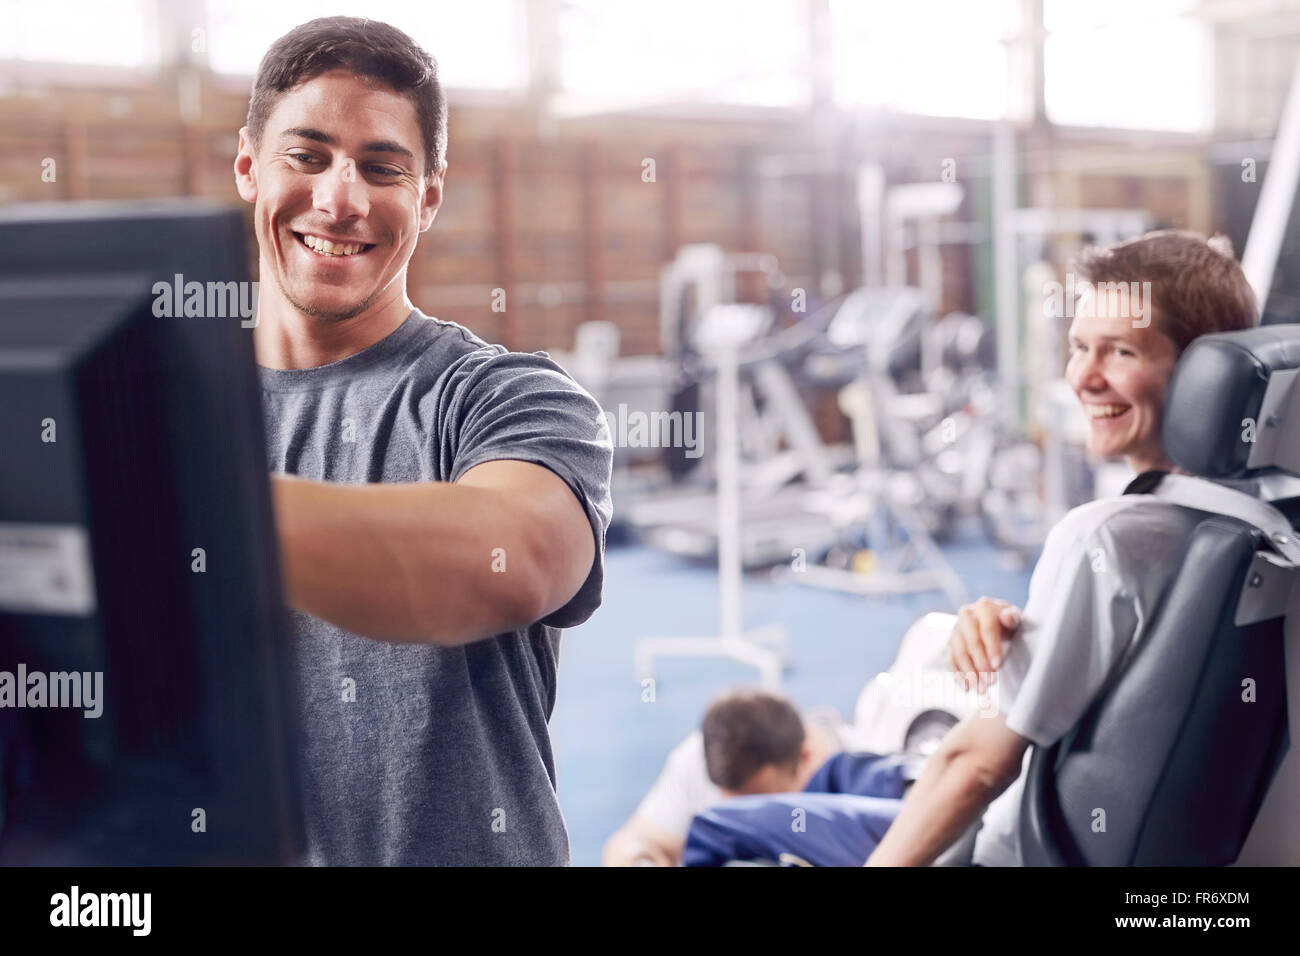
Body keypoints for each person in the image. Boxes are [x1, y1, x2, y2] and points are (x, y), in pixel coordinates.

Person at [233, 17, 613, 865]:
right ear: (250, 167)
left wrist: (170, 491)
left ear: (428, 198)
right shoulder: (156, 411)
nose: (342, 199)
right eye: (307, 155)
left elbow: (499, 566)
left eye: (382, 167)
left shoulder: (509, 397)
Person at [866, 231, 1258, 866]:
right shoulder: (1262, 524)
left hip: (997, 848)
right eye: (1079, 348)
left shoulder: (1104, 536)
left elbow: (972, 768)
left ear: (1202, 374)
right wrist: (1027, 631)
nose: (1083, 376)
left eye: (1121, 351)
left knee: (738, 825)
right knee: (851, 771)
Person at [603, 689, 916, 866]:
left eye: (759, 803)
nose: (745, 820)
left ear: (807, 757)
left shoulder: (867, 788)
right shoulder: (700, 759)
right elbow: (633, 842)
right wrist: (639, 859)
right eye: (733, 805)